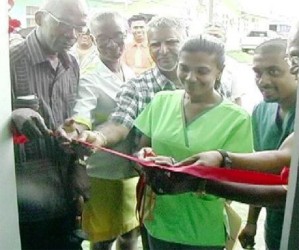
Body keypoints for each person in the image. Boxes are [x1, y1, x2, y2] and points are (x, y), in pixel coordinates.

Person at [76, 15, 187, 249]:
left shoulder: (208, 82)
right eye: (155, 44)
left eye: (172, 42)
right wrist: (96, 137)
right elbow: (120, 122)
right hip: (147, 185)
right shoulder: (139, 85)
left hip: (194, 190)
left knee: (130, 233)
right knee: (111, 237)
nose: (163, 50)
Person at [134, 35, 253, 250]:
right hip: (158, 221)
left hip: (202, 229)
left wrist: (186, 177)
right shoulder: (162, 101)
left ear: (220, 71)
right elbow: (143, 148)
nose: (190, 77)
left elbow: (237, 181)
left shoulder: (237, 118)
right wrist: (144, 159)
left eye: (202, 71)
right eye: (184, 68)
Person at [9, 0, 88, 249]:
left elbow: (70, 118)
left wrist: (76, 138)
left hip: (66, 192)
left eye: (80, 27)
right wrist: (14, 115)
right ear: (40, 18)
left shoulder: (71, 64)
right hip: (26, 198)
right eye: (65, 25)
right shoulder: (9, 61)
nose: (72, 35)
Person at [72, 11, 139, 250]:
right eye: (103, 38)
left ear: (127, 34)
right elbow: (82, 111)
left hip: (129, 171)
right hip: (101, 174)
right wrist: (80, 128)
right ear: (92, 38)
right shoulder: (89, 77)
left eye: (118, 36)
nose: (112, 44)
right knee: (102, 240)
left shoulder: (129, 72)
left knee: (131, 232)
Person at [235, 38, 297, 250]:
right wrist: (251, 222)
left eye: (274, 71)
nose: (263, 81)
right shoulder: (261, 111)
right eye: (258, 72)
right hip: (275, 226)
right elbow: (263, 174)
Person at [204, 23, 244, 105]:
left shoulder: (232, 65)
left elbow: (236, 97)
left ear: (225, 39)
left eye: (217, 36)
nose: (212, 39)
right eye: (209, 35)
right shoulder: (193, 62)